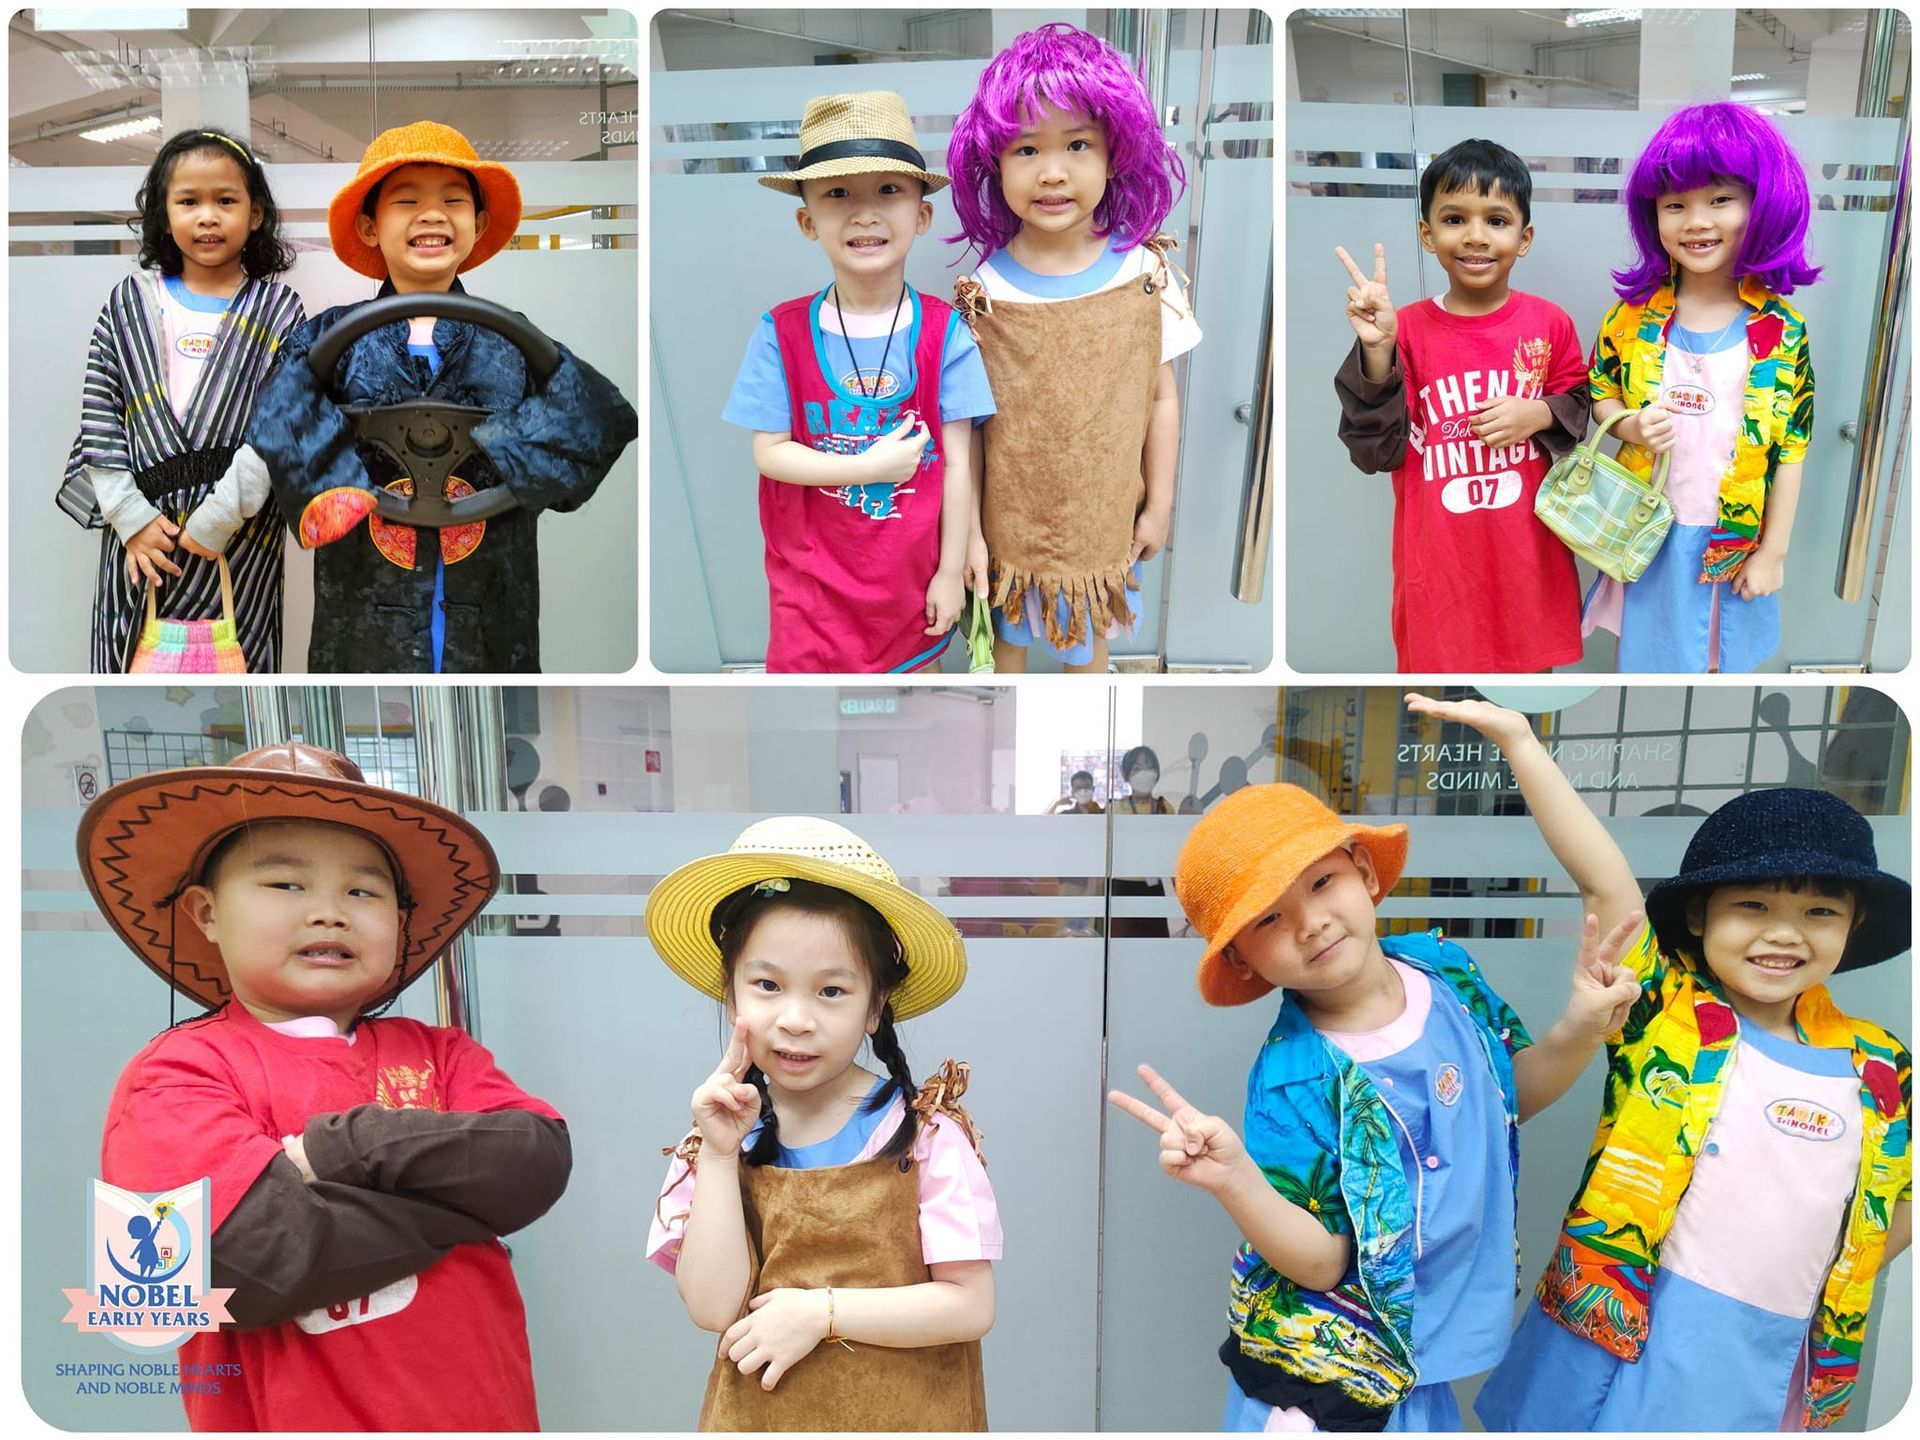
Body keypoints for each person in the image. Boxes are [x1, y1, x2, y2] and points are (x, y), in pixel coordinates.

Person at [1108, 695, 1645, 1431]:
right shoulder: (1295, 1079)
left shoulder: (1445, 970)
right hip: (1326, 1384)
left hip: (1426, 1357)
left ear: (1362, 870)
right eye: (1268, 918)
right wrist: (1236, 1181)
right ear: (1242, 958)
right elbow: (1325, 1262)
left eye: (1321, 882)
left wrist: (1581, 1032)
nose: (1311, 921)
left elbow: (1504, 1096)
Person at [80, 743, 572, 1430]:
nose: (329, 912)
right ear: (205, 913)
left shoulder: (439, 1052)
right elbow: (245, 1266)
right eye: (286, 884)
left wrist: (342, 1150)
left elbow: (535, 1159)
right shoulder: (175, 1073)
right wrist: (466, 1212)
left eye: (363, 891)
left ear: (399, 923)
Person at [1477, 786, 1911, 1431]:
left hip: (1774, 1337)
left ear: (1855, 926)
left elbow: (1898, 1199)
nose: (1784, 934)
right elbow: (1602, 881)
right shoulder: (1662, 1010)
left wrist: (1829, 1271)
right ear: (1701, 916)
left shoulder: (1881, 1063)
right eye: (1753, 905)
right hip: (1627, 1310)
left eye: (1821, 910)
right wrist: (1518, 738)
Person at [646, 817, 999, 1430]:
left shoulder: (925, 1136)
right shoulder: (715, 1141)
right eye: (767, 985)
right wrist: (721, 1156)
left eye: (831, 991)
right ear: (732, 999)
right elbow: (711, 1306)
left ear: (875, 1007)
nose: (797, 1018)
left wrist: (821, 1314)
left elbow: (970, 1306)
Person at [249, 121, 638, 673]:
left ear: (477, 224)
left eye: (453, 201)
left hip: (490, 596)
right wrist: (334, 487)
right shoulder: (326, 340)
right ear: (368, 226)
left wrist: (499, 445)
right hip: (365, 590)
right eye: (407, 200)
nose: (432, 214)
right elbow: (278, 409)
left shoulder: (515, 340)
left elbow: (601, 418)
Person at [947, 23, 1201, 674]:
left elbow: (1161, 397)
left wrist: (1160, 506)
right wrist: (969, 534)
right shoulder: (984, 292)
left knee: (1089, 653)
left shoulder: (1144, 273)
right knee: (1005, 654)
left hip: (1102, 519)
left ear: (1114, 153)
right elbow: (967, 430)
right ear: (994, 163)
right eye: (1026, 149)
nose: (1053, 172)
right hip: (1011, 524)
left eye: (1078, 144)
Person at [726, 91, 995, 674]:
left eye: (889, 191)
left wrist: (952, 573)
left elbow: (959, 464)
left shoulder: (947, 336)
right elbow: (769, 454)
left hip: (909, 589)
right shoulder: (781, 333)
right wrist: (866, 468)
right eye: (838, 194)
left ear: (922, 215)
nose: (864, 213)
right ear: (807, 220)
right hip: (809, 595)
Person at [1334, 138, 1592, 672]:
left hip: (1529, 567)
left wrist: (1538, 413)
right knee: (1442, 715)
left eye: (1496, 220)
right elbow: (1373, 449)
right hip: (1441, 575)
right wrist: (1378, 348)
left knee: (1528, 705)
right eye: (1455, 219)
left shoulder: (1550, 324)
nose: (1475, 237)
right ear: (1428, 234)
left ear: (1524, 238)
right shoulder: (1405, 330)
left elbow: (1581, 402)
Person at [1581, 102, 1819, 672]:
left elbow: (1791, 449)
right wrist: (1629, 422)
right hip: (1650, 527)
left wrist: (1774, 552)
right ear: (1652, 215)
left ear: (1762, 205)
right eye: (1674, 205)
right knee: (1651, 658)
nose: (1696, 221)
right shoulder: (1632, 317)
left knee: (1719, 657)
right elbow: (1599, 389)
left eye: (1720, 199)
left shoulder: (1782, 332)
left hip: (1732, 538)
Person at [59, 127, 305, 673]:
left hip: (239, 532)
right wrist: (129, 516)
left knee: (242, 657)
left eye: (226, 200)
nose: (208, 216)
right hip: (142, 530)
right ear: (164, 215)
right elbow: (100, 415)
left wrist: (217, 519)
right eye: (188, 201)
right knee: (132, 656)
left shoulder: (280, 312)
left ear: (256, 214)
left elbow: (282, 423)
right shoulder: (128, 304)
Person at [1110, 744, 1174, 938]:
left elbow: (1173, 854)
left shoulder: (1164, 807)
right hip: (1121, 885)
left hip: (1152, 886)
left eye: (1148, 767)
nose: (1143, 773)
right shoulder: (1116, 808)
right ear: (1127, 774)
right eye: (1137, 768)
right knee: (1121, 949)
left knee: (1155, 946)